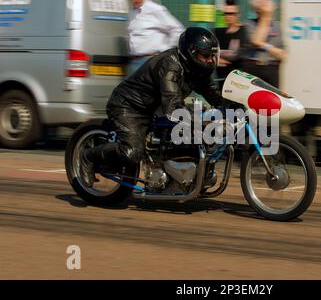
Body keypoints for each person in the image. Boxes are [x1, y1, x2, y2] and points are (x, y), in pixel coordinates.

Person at [80, 27, 228, 187]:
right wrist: (201, 121)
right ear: (190, 52)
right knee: (132, 153)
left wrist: (232, 106)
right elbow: (173, 109)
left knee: (187, 137)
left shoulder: (197, 70)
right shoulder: (170, 65)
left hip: (154, 108)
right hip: (129, 106)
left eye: (213, 56)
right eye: (206, 56)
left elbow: (213, 94)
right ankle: (88, 156)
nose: (210, 60)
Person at [127, 0, 184, 75]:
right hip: (134, 62)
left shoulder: (155, 9)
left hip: (150, 61)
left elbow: (177, 29)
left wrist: (164, 50)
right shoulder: (132, 12)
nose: (134, 0)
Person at [242, 0, 286, 88]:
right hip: (254, 68)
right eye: (261, 3)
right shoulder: (249, 24)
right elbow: (256, 40)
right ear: (256, 10)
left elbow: (282, 55)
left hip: (272, 69)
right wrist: (265, 16)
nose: (265, 4)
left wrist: (265, 46)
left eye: (266, 2)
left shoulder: (277, 25)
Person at [213, 0, 249, 84]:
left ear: (238, 15)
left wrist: (218, 58)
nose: (228, 16)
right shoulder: (217, 33)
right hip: (222, 80)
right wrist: (217, 60)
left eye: (231, 13)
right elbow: (210, 54)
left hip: (240, 81)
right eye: (225, 13)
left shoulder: (244, 32)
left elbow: (238, 57)